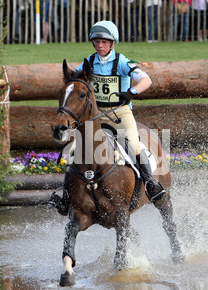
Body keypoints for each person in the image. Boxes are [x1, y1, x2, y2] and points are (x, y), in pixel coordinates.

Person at [57, 20, 165, 215]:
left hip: (120, 113)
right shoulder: (89, 61)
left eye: (104, 42)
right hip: (96, 117)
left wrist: (132, 91)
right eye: (97, 42)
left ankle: (151, 184)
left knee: (133, 145)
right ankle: (65, 196)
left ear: (112, 43)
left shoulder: (122, 61)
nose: (100, 46)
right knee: (72, 149)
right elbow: (75, 79)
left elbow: (146, 79)